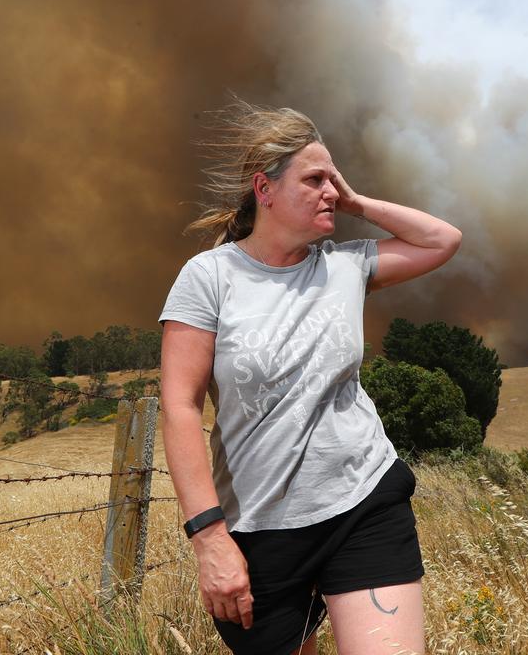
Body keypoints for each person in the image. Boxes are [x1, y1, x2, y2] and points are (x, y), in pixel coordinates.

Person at [158, 102, 461, 655]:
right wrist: (209, 537)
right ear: (264, 189)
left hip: (362, 501)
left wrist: (355, 201)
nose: (330, 192)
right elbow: (179, 405)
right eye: (314, 179)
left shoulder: (345, 265)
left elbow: (442, 240)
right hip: (258, 528)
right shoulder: (209, 276)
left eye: (333, 180)